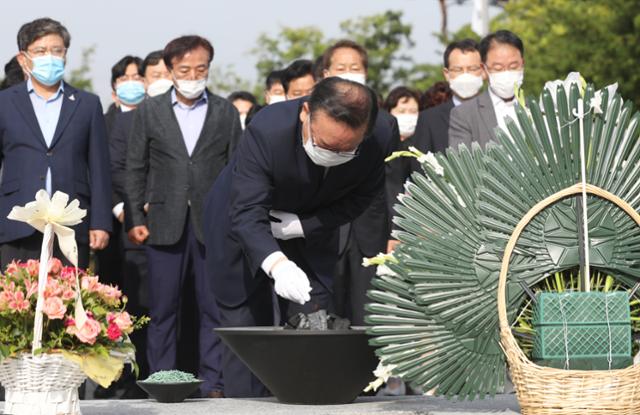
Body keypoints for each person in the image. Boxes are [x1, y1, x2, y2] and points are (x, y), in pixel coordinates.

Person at [204, 77, 395, 397]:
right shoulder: (268, 129)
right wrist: (277, 263)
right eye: (324, 144)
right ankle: (246, 405)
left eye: (345, 150)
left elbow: (362, 199)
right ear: (306, 112)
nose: (333, 154)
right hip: (240, 225)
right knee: (247, 331)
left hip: (310, 228)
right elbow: (246, 212)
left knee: (316, 323)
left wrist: (305, 225)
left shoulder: (381, 133)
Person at [125, 35, 241, 399]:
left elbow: (237, 169)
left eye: (201, 68)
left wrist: (234, 220)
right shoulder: (150, 110)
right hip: (163, 222)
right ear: (171, 70)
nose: (193, 75)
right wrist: (134, 218)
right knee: (162, 309)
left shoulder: (225, 112)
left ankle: (213, 382)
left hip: (212, 225)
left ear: (209, 68)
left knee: (212, 308)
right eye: (185, 69)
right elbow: (134, 169)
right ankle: (162, 379)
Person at [0, 17, 111, 269]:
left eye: (56, 50)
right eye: (40, 51)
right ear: (23, 58)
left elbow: (100, 169)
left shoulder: (87, 103)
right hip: (17, 222)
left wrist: (101, 222)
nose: (49, 57)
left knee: (69, 302)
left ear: (65, 55)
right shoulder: (5, 103)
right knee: (16, 303)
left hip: (70, 223)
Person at [321, 39, 401, 326]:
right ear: (326, 75)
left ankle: (369, 371)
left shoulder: (385, 124)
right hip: (325, 230)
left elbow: (391, 182)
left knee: (369, 315)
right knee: (328, 316)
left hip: (371, 232)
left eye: (355, 67)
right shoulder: (313, 119)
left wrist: (395, 230)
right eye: (341, 67)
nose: (348, 72)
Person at [449, 30, 525, 149]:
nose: (506, 73)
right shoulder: (464, 115)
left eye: (513, 67)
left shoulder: (538, 109)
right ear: (484, 69)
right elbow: (461, 162)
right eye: (498, 68)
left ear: (522, 64)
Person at [413, 39, 483, 159]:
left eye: (472, 69)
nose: (465, 75)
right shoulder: (429, 120)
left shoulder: (498, 113)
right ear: (446, 74)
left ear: (483, 70)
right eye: (458, 69)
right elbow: (420, 170)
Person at [104, 55, 143, 135]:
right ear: (114, 86)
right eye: (124, 79)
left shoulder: (158, 117)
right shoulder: (103, 122)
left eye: (137, 78)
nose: (130, 83)